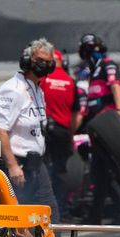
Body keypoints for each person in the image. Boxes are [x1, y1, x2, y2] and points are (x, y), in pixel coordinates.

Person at [0, 38, 60, 223]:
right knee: (4, 220)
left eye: (48, 62)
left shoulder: (38, 90)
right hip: (16, 166)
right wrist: (13, 165)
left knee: (49, 216)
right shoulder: (13, 89)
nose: (43, 66)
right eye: (39, 61)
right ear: (28, 60)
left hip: (37, 164)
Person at [69, 33, 120, 224]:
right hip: (96, 125)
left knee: (103, 169)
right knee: (100, 171)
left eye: (92, 49)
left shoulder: (108, 65)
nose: (91, 53)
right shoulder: (93, 70)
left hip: (107, 124)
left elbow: (116, 87)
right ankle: (100, 213)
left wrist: (119, 112)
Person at [40, 49, 80, 221]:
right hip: (63, 131)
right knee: (61, 171)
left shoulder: (42, 79)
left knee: (43, 170)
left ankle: (42, 210)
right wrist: (70, 134)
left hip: (44, 131)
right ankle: (61, 210)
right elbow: (76, 114)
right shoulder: (70, 82)